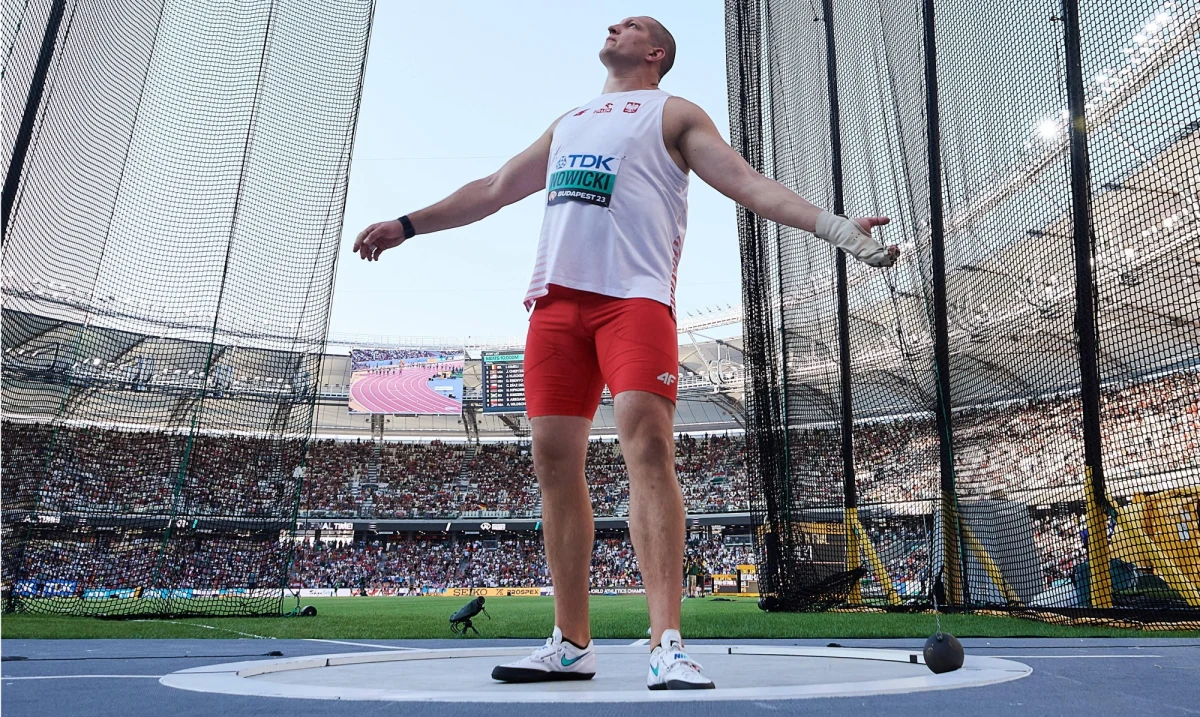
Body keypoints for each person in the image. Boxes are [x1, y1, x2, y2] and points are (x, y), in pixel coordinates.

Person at [353, 16, 897, 691]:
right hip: (555, 305)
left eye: (631, 24)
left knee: (649, 448)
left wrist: (836, 227)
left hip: (632, 302)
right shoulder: (570, 121)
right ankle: (570, 643)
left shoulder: (674, 113)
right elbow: (493, 189)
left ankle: (667, 643)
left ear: (655, 52)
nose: (614, 25)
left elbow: (747, 183)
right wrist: (407, 225)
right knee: (553, 464)